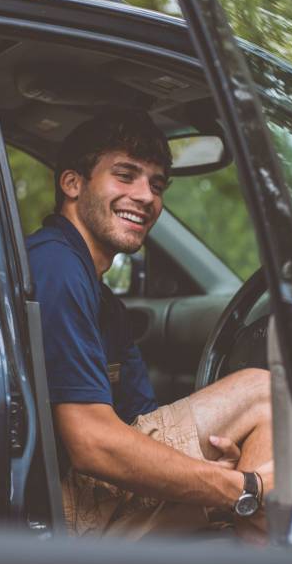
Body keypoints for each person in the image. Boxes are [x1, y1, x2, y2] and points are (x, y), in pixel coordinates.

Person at [26, 110, 273, 542]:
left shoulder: (104, 302)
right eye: (126, 176)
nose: (146, 196)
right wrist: (237, 488)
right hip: (59, 507)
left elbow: (139, 422)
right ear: (72, 183)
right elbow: (90, 442)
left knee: (257, 446)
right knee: (265, 391)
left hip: (90, 498)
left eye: (156, 185)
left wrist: (216, 471)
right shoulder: (55, 264)